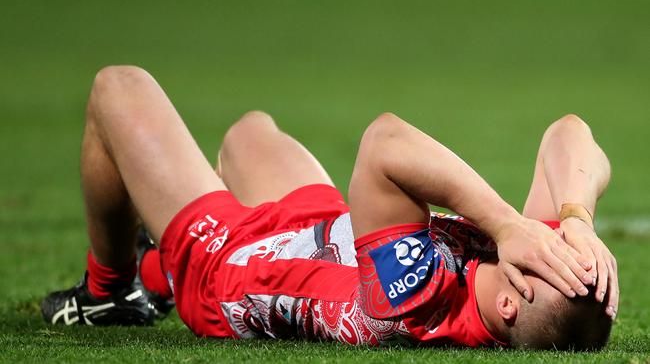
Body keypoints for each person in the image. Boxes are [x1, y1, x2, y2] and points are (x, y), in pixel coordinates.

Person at [42, 66, 618, 349]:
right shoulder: (530, 279)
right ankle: (153, 271)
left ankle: (112, 290)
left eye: (551, 253)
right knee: (248, 134)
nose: (545, 245)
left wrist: (505, 223)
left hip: (236, 269)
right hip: (324, 237)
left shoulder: (415, 301)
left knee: (117, 88)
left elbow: (384, 143)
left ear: (511, 310)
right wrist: (576, 219)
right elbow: (569, 134)